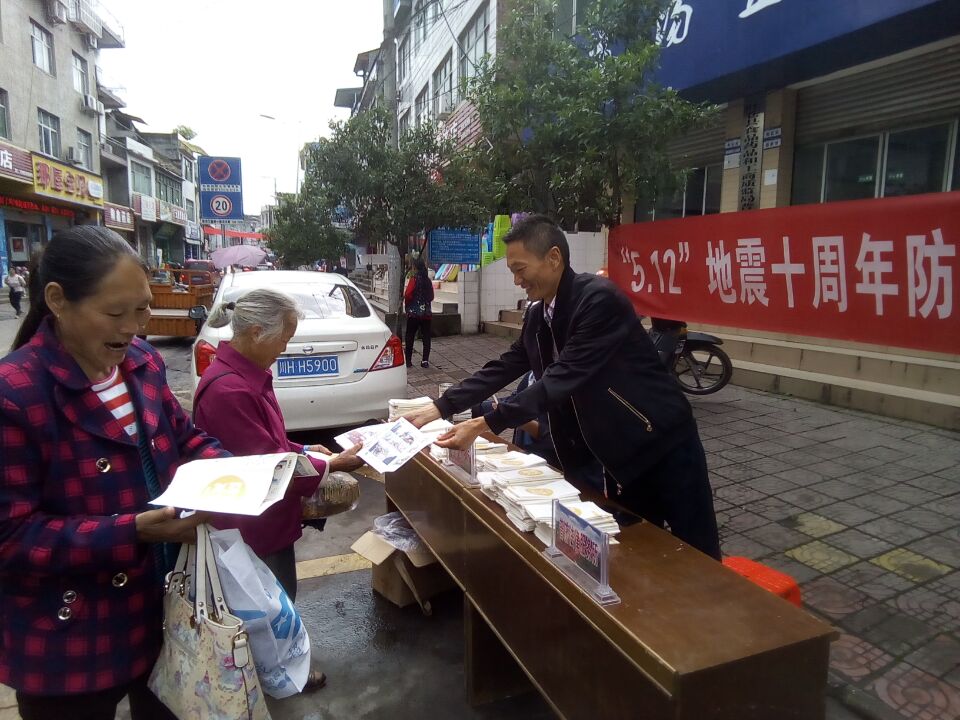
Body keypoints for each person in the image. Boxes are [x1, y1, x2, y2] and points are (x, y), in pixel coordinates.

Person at [0, 226, 229, 720]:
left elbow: (185, 438)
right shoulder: (15, 392)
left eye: (142, 309)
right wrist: (133, 531)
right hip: (67, 640)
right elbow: (11, 536)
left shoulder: (142, 363)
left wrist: (233, 475)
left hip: (161, 612)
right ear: (57, 301)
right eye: (114, 313)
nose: (132, 327)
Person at [405, 215, 720, 560]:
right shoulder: (538, 315)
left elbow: (561, 377)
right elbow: (504, 366)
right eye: (512, 271)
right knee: (640, 551)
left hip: (662, 442)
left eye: (520, 269)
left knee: (699, 553)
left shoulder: (599, 301)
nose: (517, 280)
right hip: (616, 455)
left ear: (553, 258)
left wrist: (484, 423)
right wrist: (441, 407)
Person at [191, 288, 364, 690]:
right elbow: (267, 463)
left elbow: (270, 440)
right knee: (268, 603)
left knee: (273, 597)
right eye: (284, 338)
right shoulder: (230, 389)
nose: (285, 348)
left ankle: (276, 669)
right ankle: (277, 675)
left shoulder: (244, 376)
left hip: (264, 518)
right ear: (255, 332)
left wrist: (305, 449)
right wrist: (332, 464)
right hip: (253, 523)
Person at [404, 256, 434, 369]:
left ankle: (408, 361)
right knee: (426, 337)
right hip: (426, 314)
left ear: (415, 267)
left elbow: (408, 294)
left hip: (414, 314)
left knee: (410, 336)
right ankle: (425, 361)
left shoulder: (414, 279)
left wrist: (409, 305)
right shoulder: (428, 281)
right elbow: (431, 297)